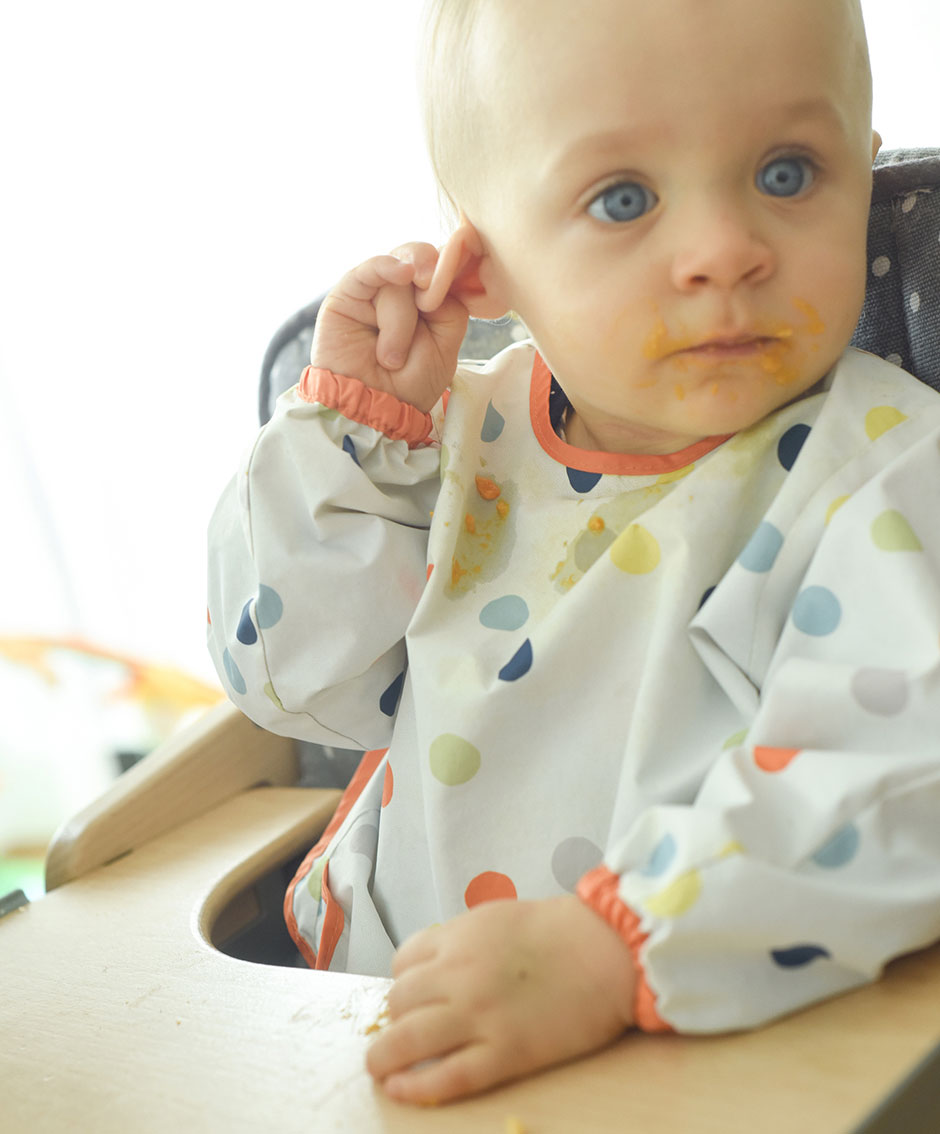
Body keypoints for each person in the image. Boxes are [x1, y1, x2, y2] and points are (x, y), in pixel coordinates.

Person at [207, 0, 940, 1106]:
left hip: (685, 1046)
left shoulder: (884, 470)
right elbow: (287, 677)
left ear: (863, 165)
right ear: (480, 263)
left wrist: (615, 951)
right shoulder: (445, 442)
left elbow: (891, 784)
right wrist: (357, 441)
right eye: (623, 199)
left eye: (787, 173)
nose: (724, 251)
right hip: (365, 1027)